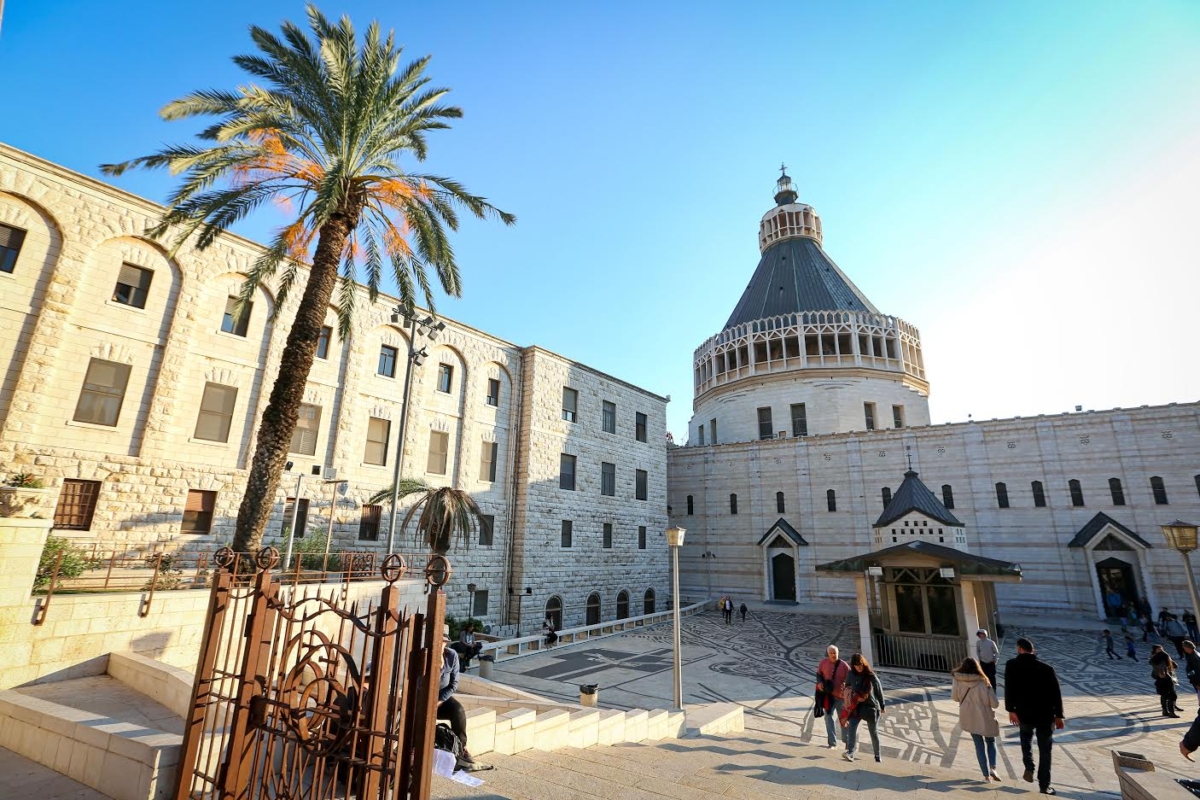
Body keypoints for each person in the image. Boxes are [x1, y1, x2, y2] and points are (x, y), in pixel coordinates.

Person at [1004, 637, 1064, 796]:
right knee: (1045, 750)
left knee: (1026, 740)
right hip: (1045, 715)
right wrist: (1059, 715)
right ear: (1033, 650)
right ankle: (1044, 785)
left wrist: (1011, 710)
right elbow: (1056, 694)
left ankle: (1029, 767)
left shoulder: (1011, 665)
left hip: (1023, 713)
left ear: (1019, 649)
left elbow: (1008, 689)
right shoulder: (1047, 668)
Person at [952, 657, 1001, 783]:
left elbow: (955, 698)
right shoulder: (984, 681)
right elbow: (995, 704)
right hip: (985, 716)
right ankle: (993, 767)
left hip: (968, 715)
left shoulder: (957, 679)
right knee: (991, 741)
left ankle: (986, 777)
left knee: (978, 745)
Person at [436, 624, 474, 765]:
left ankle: (460, 748)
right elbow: (419, 683)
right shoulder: (424, 656)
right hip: (422, 699)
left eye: (443, 641)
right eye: (438, 641)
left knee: (458, 711)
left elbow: (453, 684)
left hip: (442, 699)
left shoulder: (451, 656)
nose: (441, 644)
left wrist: (439, 701)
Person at [840, 653, 885, 763]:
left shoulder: (870, 675)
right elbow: (847, 688)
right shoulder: (851, 674)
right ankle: (850, 752)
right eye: (856, 665)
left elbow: (879, 691)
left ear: (863, 664)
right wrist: (853, 697)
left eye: (860, 665)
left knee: (873, 732)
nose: (858, 667)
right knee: (851, 728)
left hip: (871, 707)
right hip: (856, 707)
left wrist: (882, 705)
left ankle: (877, 755)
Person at [814, 645, 850, 750]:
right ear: (828, 654)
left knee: (843, 720)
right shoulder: (823, 662)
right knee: (828, 718)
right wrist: (820, 682)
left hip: (841, 698)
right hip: (829, 697)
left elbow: (851, 680)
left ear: (838, 653)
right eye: (831, 653)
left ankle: (847, 742)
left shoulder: (844, 666)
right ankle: (832, 743)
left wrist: (845, 685)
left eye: (835, 653)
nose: (833, 655)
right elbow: (818, 674)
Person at [1151, 644, 1181, 718]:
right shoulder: (1159, 658)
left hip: (1161, 679)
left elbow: (1175, 666)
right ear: (1155, 650)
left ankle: (1165, 711)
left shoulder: (1163, 657)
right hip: (1165, 679)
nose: (1161, 650)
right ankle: (1171, 712)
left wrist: (1169, 659)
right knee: (1172, 695)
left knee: (1164, 695)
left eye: (1161, 648)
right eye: (1159, 649)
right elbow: (1162, 671)